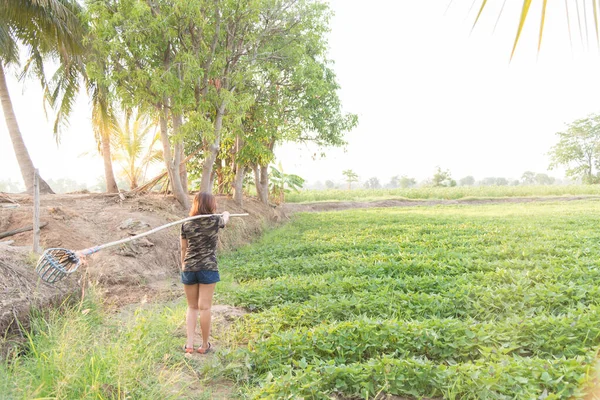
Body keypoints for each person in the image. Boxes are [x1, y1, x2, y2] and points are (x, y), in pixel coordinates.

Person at [180, 192, 230, 354]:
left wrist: (184, 264)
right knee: (205, 308)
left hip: (189, 268)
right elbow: (225, 220)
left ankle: (189, 345)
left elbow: (183, 248)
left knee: (192, 307)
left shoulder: (186, 223)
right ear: (211, 205)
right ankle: (203, 345)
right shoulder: (215, 221)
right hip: (208, 267)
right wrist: (226, 213)